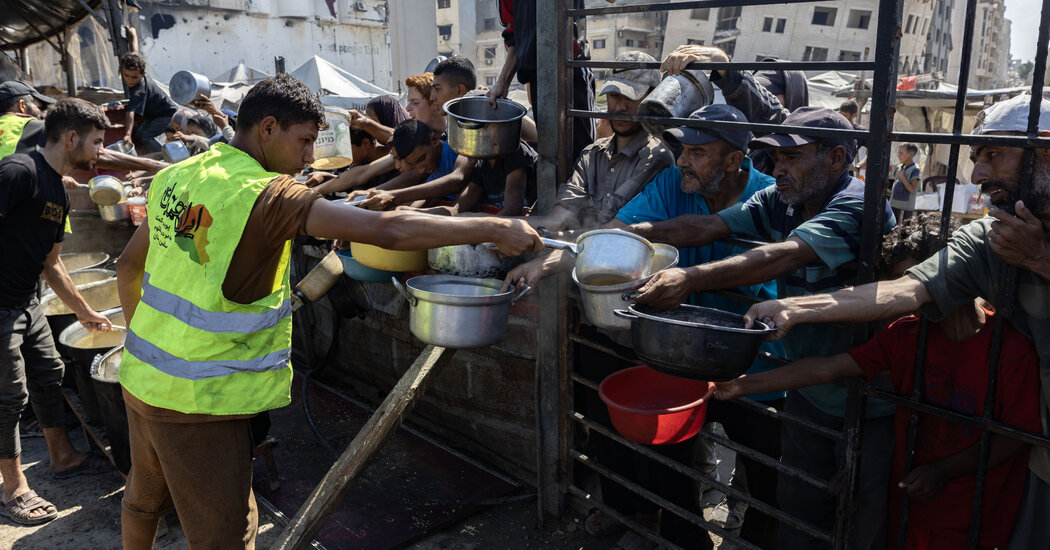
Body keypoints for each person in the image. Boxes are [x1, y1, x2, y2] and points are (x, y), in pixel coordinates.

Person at [114, 74, 543, 550]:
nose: (309, 158)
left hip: (141, 379)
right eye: (304, 141)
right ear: (268, 128)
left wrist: (152, 348)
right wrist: (493, 228)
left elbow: (129, 267)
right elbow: (389, 233)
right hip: (199, 405)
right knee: (226, 536)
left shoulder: (179, 175)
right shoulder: (268, 194)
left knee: (142, 501)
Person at [742, 92, 1050, 550]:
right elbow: (906, 290)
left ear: (1044, 150)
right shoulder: (990, 235)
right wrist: (797, 308)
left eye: (993, 155)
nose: (978, 175)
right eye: (976, 158)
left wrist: (1043, 261)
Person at [630, 106, 896, 550]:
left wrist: (690, 279)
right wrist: (630, 234)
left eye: (794, 158)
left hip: (869, 392)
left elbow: (784, 256)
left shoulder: (856, 204)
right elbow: (707, 226)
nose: (779, 169)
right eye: (777, 159)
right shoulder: (781, 197)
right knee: (798, 507)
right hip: (808, 387)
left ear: (835, 159)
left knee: (862, 518)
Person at [520, 104, 783, 549]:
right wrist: (560, 255)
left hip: (750, 355)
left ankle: (756, 539)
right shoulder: (670, 183)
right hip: (679, 350)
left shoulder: (769, 197)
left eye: (698, 153)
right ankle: (685, 539)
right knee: (670, 460)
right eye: (683, 149)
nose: (681, 159)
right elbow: (621, 234)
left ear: (734, 160)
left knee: (766, 465)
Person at [721, 213, 1041, 549]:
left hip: (976, 514)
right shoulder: (906, 336)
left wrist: (944, 470)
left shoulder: (1011, 349)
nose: (904, 299)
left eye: (912, 281)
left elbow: (1016, 436)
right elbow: (828, 368)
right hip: (913, 506)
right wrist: (738, 386)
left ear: (949, 275)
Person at [0, 98, 117, 525]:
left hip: (27, 300)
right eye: (98, 142)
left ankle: (62, 457)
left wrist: (85, 312)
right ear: (72, 138)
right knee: (8, 398)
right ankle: (14, 489)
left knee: (50, 376)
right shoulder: (18, 172)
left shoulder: (59, 189)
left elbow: (52, 263)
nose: (101, 151)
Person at [518, 51, 672, 232]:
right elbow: (558, 220)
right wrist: (496, 225)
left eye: (630, 97)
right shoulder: (592, 154)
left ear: (651, 98)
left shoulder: (656, 157)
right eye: (614, 95)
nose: (620, 106)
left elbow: (610, 232)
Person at [661, 45, 817, 175]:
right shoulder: (748, 147)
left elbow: (769, 113)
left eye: (770, 93)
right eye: (761, 91)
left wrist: (722, 64)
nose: (766, 97)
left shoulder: (807, 144)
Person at [489, 0, 596, 162]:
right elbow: (515, 35)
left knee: (583, 155)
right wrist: (502, 83)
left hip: (572, 69)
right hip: (538, 78)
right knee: (551, 157)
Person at [0, 80, 166, 174]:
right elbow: (91, 153)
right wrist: (151, 165)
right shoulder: (29, 126)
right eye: (39, 106)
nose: (41, 112)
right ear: (22, 106)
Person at [421, 140, 538, 216]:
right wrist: (414, 214)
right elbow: (456, 209)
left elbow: (512, 211)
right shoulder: (481, 162)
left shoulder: (516, 152)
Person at [119, 52, 178, 153]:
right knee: (140, 132)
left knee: (144, 135)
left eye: (134, 77)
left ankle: (164, 156)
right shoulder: (139, 78)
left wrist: (128, 134)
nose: (129, 80)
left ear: (143, 74)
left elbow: (131, 111)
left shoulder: (139, 90)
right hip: (159, 114)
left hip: (168, 115)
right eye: (126, 75)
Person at [890, 143, 921, 220]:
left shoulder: (915, 169)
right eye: (898, 152)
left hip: (906, 207)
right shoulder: (899, 167)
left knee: (904, 228)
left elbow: (912, 190)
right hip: (894, 204)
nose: (898, 155)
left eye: (901, 153)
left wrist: (902, 177)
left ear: (911, 154)